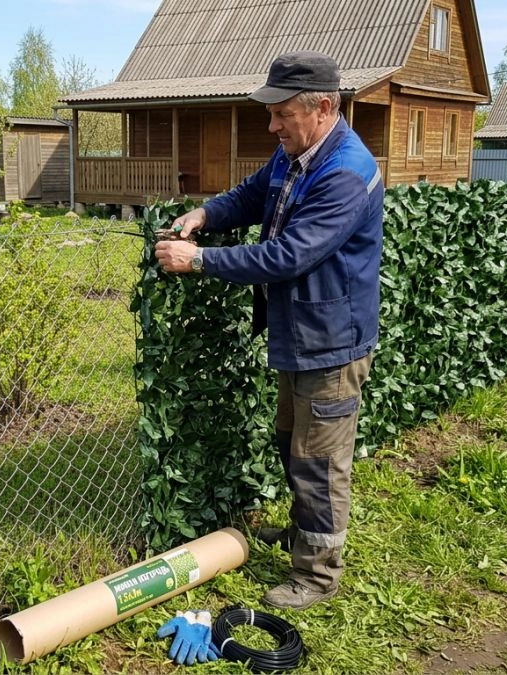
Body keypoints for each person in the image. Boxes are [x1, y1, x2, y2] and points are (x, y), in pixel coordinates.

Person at [154, 50, 384, 611]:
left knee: (320, 461)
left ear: (323, 107)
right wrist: (204, 216)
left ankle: (318, 573)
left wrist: (199, 261)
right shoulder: (296, 153)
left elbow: (288, 255)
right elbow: (250, 195)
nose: (271, 124)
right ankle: (307, 534)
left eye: (282, 113)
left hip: (332, 341)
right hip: (298, 334)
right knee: (293, 443)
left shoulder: (346, 174)